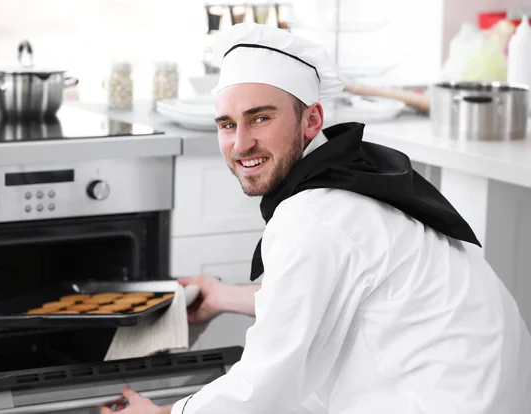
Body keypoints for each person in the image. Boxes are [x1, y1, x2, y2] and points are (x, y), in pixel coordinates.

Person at [102, 22, 531, 414]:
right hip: (476, 389)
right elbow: (316, 294)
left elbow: (268, 379)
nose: (241, 143)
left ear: (312, 119)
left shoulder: (314, 217)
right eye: (227, 125)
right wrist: (220, 297)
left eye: (261, 118)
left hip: (444, 400)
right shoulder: (348, 175)